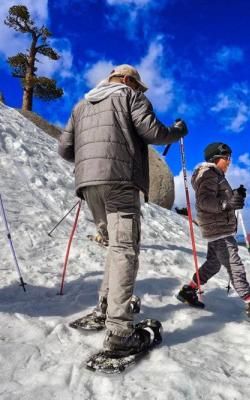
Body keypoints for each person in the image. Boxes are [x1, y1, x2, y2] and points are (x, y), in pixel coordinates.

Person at [58, 64, 188, 355]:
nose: (139, 91)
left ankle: (105, 307)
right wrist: (178, 131)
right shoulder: (129, 96)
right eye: (138, 86)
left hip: (88, 185)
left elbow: (65, 149)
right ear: (128, 80)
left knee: (115, 248)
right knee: (124, 249)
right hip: (120, 180)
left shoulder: (81, 105)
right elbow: (152, 132)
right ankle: (120, 332)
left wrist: (92, 160)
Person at [176, 142, 250, 320]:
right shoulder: (208, 174)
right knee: (233, 264)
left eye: (229, 157)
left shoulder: (214, 175)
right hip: (219, 229)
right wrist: (227, 203)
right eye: (226, 157)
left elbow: (218, 198)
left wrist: (234, 195)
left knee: (213, 264)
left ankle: (189, 290)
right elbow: (204, 201)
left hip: (216, 228)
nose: (229, 161)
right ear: (215, 158)